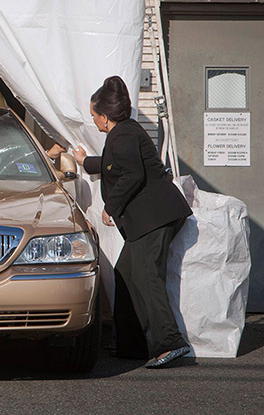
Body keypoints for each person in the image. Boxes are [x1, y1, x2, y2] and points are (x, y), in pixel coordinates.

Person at [71, 75, 192, 369]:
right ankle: (132, 345)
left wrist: (110, 207)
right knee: (126, 274)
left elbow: (132, 174)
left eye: (94, 116)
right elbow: (113, 163)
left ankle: (171, 343)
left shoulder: (123, 135)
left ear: (105, 116)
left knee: (147, 275)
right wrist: (84, 161)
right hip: (150, 219)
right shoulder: (124, 132)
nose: (94, 121)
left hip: (154, 217)